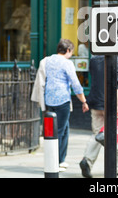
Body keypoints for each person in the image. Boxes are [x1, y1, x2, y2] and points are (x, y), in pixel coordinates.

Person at [31, 39, 89, 170]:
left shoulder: (46, 61)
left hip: (49, 100)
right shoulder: (67, 63)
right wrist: (84, 101)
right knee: (60, 131)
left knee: (62, 129)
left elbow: (41, 81)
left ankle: (61, 159)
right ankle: (55, 162)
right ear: (68, 50)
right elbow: (75, 84)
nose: (71, 55)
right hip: (62, 101)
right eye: (71, 52)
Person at [79, 55, 118, 178]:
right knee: (117, 134)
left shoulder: (93, 59)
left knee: (97, 133)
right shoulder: (117, 59)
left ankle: (87, 161)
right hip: (111, 103)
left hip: (96, 102)